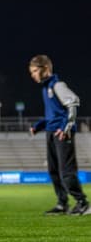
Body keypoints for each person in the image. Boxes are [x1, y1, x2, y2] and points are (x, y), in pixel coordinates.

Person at [28, 55, 89, 216]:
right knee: (53, 171)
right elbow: (53, 115)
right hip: (51, 132)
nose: (32, 75)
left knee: (66, 171)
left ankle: (83, 203)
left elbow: (73, 103)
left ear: (45, 69)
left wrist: (66, 127)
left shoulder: (57, 85)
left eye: (35, 71)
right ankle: (62, 204)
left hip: (62, 133)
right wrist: (38, 126)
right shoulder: (45, 88)